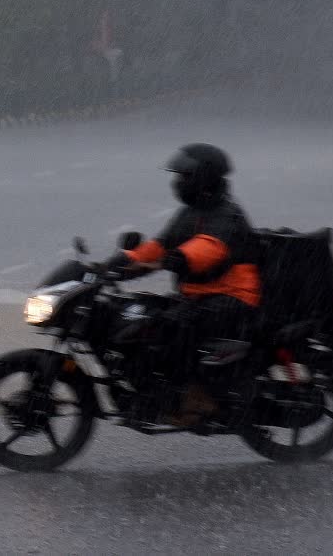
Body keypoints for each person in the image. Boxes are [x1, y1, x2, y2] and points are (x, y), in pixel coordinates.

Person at [106, 143, 262, 426]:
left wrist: (179, 258)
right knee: (144, 319)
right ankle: (157, 391)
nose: (177, 182)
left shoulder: (227, 214)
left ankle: (198, 397)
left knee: (176, 327)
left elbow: (208, 248)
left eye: (184, 176)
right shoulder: (191, 213)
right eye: (177, 176)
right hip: (200, 294)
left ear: (204, 178)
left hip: (234, 295)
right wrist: (120, 263)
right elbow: (159, 245)